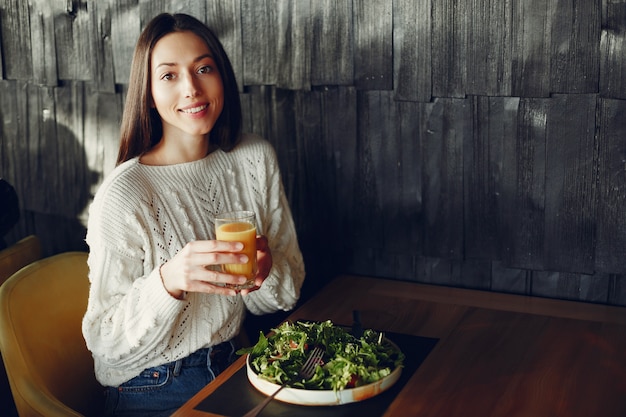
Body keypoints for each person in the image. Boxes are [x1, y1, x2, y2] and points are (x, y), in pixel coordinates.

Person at [81, 13, 305, 417]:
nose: (192, 89)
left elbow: (284, 298)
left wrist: (265, 270)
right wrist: (168, 281)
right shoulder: (124, 194)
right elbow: (104, 341)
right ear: (148, 93)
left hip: (240, 359)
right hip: (152, 385)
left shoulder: (253, 159)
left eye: (204, 68)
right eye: (169, 76)